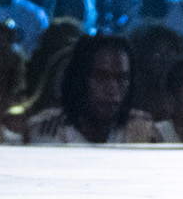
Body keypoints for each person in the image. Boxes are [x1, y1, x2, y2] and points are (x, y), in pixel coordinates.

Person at [26, 35, 162, 144]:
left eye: (122, 79)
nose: (112, 89)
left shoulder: (142, 130)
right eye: (101, 77)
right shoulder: (47, 131)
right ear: (79, 80)